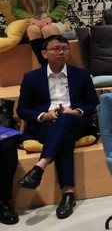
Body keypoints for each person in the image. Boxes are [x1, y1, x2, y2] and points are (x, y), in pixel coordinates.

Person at [16, 35, 98, 219]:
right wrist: (44, 116)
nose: (61, 52)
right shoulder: (31, 77)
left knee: (65, 120)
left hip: (76, 121)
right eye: (56, 49)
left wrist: (75, 111)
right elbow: (22, 110)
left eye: (65, 49)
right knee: (64, 136)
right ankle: (68, 193)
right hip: (46, 124)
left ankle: (40, 167)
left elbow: (93, 103)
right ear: (44, 53)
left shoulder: (81, 74)